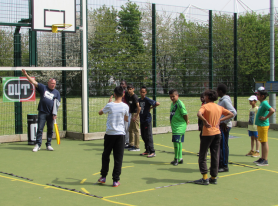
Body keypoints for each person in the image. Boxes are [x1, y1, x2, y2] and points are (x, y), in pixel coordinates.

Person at [194, 89, 234, 185]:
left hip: (207, 133)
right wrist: (221, 120)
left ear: (208, 97)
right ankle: (213, 177)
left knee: (203, 155)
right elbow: (231, 114)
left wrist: (204, 121)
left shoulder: (205, 106)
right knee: (215, 155)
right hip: (217, 133)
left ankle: (204, 178)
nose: (204, 97)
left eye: (205, 96)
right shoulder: (218, 107)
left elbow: (199, 114)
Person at [22, 69, 60, 152]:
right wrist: (26, 74)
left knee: (50, 129)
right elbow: (34, 82)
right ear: (48, 83)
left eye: (54, 84)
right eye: (52, 83)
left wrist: (55, 113)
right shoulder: (43, 88)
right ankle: (38, 145)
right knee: (40, 129)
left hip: (51, 114)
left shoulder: (57, 93)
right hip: (42, 112)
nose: (53, 85)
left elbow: (57, 104)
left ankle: (48, 145)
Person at [98, 86, 129, 187]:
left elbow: (100, 113)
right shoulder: (125, 106)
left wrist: (108, 103)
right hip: (120, 134)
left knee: (106, 155)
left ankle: (103, 176)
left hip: (110, 134)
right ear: (123, 94)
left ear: (114, 94)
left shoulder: (109, 105)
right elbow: (126, 119)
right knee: (118, 158)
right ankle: (115, 180)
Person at [217, 84, 237, 172]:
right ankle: (220, 163)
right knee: (221, 145)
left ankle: (225, 165)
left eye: (217, 91)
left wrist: (225, 121)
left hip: (225, 126)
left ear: (221, 91)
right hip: (221, 125)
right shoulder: (221, 100)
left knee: (224, 146)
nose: (217, 93)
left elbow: (233, 112)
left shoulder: (225, 101)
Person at [253, 87, 275, 166]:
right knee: (262, 142)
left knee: (264, 142)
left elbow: (272, 110)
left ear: (262, 96)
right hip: (260, 125)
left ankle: (265, 160)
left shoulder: (265, 103)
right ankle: (262, 158)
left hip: (263, 125)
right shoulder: (262, 103)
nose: (257, 96)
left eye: (258, 95)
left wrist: (265, 118)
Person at [169, 89, 189, 166]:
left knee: (176, 142)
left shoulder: (180, 104)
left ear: (177, 95)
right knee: (178, 142)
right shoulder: (172, 104)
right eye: (170, 97)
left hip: (179, 126)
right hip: (175, 126)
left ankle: (176, 159)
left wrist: (186, 121)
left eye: (173, 96)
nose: (172, 98)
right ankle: (180, 158)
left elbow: (185, 114)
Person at [138, 86, 160, 158]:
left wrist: (150, 108)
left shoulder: (147, 99)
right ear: (139, 92)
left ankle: (152, 151)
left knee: (148, 136)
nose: (142, 93)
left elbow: (157, 103)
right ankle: (147, 150)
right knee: (143, 136)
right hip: (142, 120)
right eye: (141, 92)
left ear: (146, 92)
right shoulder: (139, 100)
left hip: (147, 120)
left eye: (144, 92)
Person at [126, 84, 141, 151]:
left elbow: (139, 107)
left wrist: (136, 116)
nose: (129, 90)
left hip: (135, 114)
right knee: (130, 129)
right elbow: (130, 106)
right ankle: (131, 144)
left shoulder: (135, 97)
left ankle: (137, 146)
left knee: (136, 130)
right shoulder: (129, 96)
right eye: (128, 89)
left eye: (130, 89)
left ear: (133, 89)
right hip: (132, 114)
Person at [120, 80, 130, 147]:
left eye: (123, 84)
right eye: (121, 84)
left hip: (126, 111)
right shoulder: (119, 92)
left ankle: (127, 141)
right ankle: (122, 140)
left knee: (126, 127)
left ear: (125, 85)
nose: (121, 85)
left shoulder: (127, 93)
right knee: (121, 126)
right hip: (120, 111)